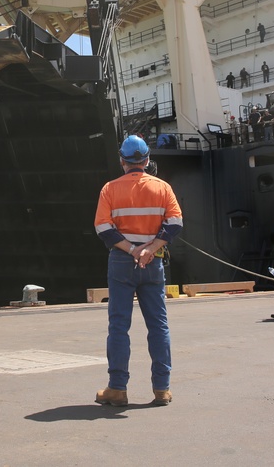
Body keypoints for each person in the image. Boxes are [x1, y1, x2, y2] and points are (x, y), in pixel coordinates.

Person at [94, 135, 183, 407]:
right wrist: (150, 248)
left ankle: (117, 389)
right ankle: (162, 389)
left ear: (122, 161)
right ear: (146, 161)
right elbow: (175, 223)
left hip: (122, 261)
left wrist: (132, 250)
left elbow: (103, 227)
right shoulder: (163, 188)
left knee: (119, 325)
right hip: (153, 262)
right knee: (158, 326)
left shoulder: (109, 189)